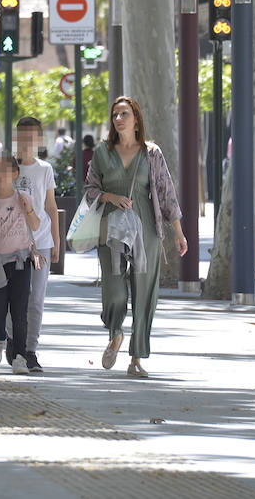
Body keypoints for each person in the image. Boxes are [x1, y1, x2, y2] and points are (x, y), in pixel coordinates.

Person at [83, 96, 186, 378]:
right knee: (114, 289)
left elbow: (166, 193)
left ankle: (136, 358)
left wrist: (177, 231)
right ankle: (115, 333)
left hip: (146, 230)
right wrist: (110, 196)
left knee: (144, 292)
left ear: (136, 119)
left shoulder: (151, 153)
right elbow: (90, 189)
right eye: (115, 114)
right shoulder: (102, 153)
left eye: (124, 114)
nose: (118, 119)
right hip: (111, 228)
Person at [0, 154, 41, 375]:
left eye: (5, 170)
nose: (0, 175)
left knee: (20, 311)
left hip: (21, 261)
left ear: (14, 174)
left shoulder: (24, 198)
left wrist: (28, 208)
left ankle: (20, 357)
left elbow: (36, 225)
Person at [12, 116, 59, 373]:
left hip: (41, 242)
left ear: (39, 140)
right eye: (23, 136)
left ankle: (30, 350)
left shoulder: (45, 169)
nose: (27, 142)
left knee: (36, 299)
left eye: (33, 137)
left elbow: (51, 206)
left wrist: (57, 240)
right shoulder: (8, 167)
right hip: (12, 244)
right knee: (14, 297)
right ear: (16, 137)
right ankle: (12, 341)